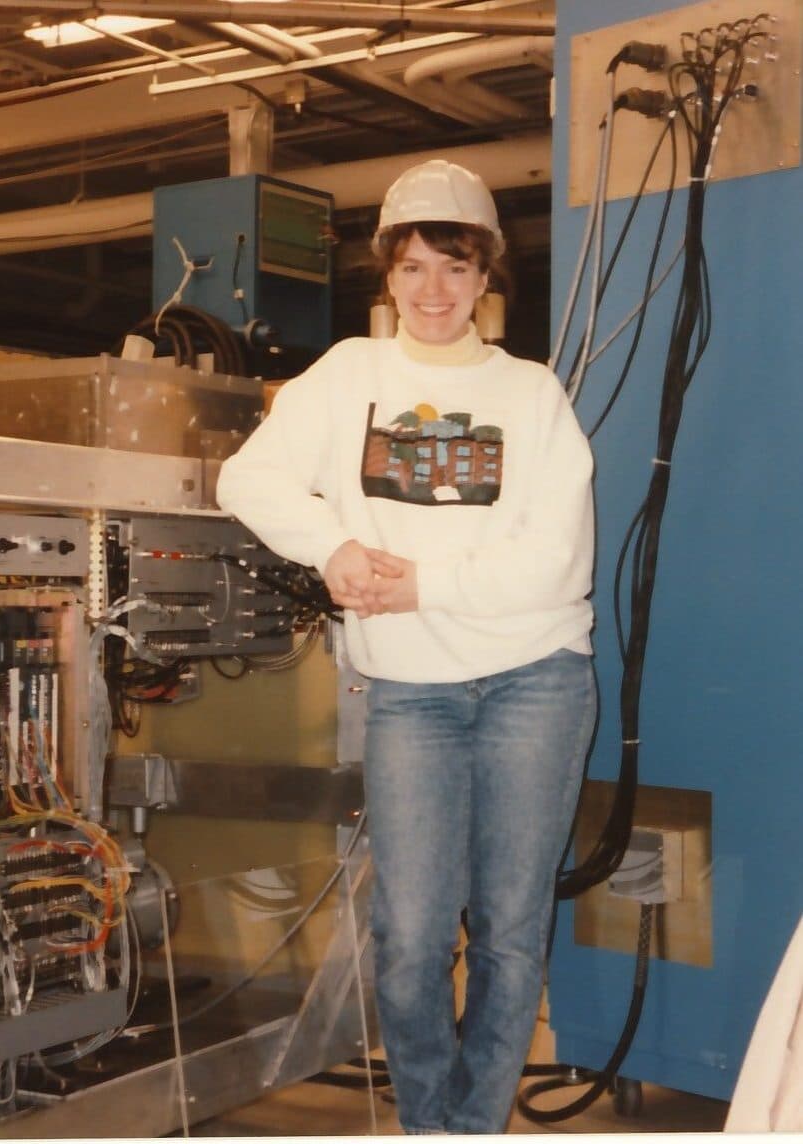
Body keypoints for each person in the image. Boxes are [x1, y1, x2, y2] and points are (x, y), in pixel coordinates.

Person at [215, 158, 597, 1134]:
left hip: (535, 681)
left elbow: (554, 564)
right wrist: (333, 548)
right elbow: (246, 480)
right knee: (410, 935)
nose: (435, 291)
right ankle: (431, 1123)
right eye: (416, 267)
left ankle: (475, 1127)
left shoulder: (534, 394)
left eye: (456, 269)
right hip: (412, 695)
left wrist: (419, 583)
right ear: (387, 273)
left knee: (510, 934)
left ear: (487, 277)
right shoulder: (349, 377)